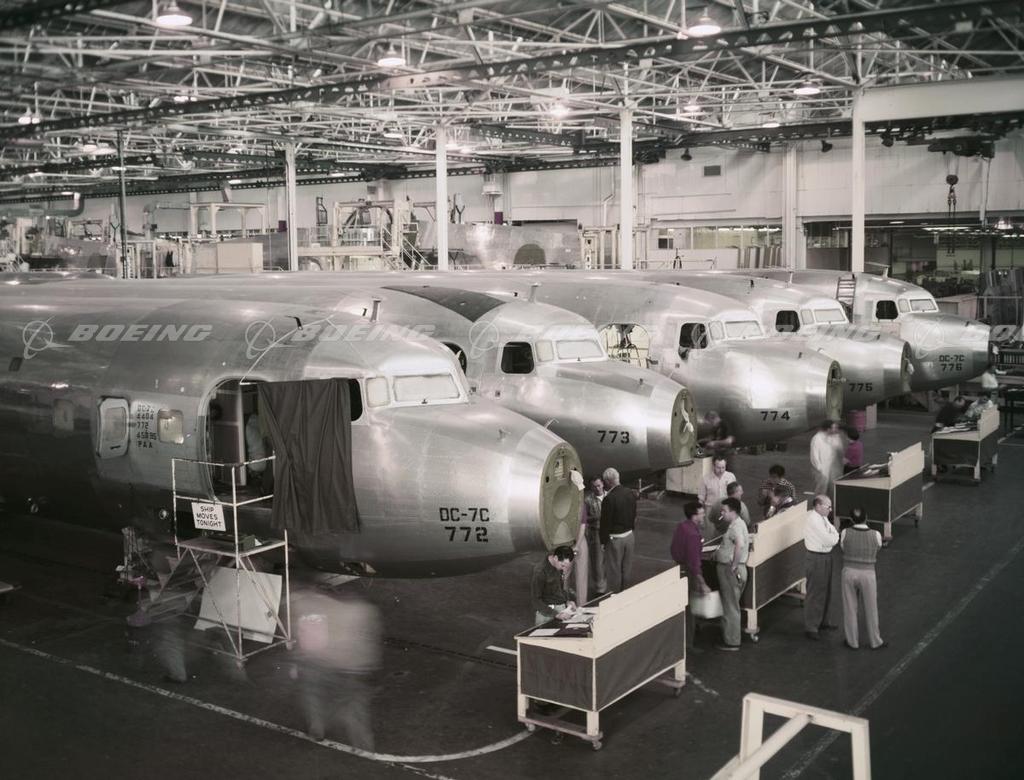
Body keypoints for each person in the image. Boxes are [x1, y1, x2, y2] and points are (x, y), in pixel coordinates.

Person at [293, 586, 382, 747]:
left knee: (313, 693)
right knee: (353, 703)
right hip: (352, 666)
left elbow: (306, 636)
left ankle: (317, 726)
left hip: (322, 661)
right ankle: (363, 741)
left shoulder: (308, 604)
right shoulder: (363, 610)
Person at [840, 508, 887, 650]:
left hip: (849, 572)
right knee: (871, 608)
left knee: (850, 608)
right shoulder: (876, 534)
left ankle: (852, 642)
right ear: (866, 518)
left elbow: (843, 547)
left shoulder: (845, 532)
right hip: (868, 573)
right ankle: (875, 641)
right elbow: (878, 548)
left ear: (851, 519)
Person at [670, 501, 710, 650]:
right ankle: (689, 643)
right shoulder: (693, 535)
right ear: (694, 516)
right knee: (690, 608)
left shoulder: (682, 527)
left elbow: (673, 549)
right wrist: (703, 583)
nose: (704, 515)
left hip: (679, 569)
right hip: (689, 574)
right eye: (701, 513)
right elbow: (694, 563)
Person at [714, 498, 749, 651]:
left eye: (724, 511)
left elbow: (739, 545)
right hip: (738, 569)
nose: (722, 513)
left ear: (733, 512)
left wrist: (733, 565)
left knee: (730, 606)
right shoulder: (740, 524)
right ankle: (731, 636)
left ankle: (732, 641)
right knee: (732, 604)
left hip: (730, 570)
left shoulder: (735, 527)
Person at [803, 495, 840, 641]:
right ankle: (811, 627)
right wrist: (832, 538)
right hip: (816, 558)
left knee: (826, 590)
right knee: (815, 592)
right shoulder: (813, 520)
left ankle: (823, 621)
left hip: (825, 557)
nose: (830, 509)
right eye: (828, 506)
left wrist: (832, 537)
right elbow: (830, 539)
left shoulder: (823, 518)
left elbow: (834, 533)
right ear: (818, 506)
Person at [599, 467, 636, 593]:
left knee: (614, 571)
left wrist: (603, 542)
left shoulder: (609, 499)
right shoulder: (630, 493)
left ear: (608, 482)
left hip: (615, 539)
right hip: (629, 536)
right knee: (626, 569)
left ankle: (615, 596)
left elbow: (605, 523)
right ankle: (625, 594)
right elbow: (634, 514)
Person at [531, 545, 576, 624]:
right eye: (563, 566)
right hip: (546, 615)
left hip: (562, 611)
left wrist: (567, 601)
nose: (564, 569)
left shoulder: (558, 565)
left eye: (566, 567)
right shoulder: (540, 572)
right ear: (555, 558)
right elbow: (536, 600)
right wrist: (556, 614)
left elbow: (559, 589)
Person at [583, 476, 607, 596]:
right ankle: (600, 589)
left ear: (603, 484)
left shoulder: (609, 496)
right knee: (597, 562)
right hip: (596, 532)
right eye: (594, 486)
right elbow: (584, 519)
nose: (597, 488)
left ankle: (609, 584)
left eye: (599, 485)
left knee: (610, 560)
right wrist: (595, 517)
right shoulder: (588, 500)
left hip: (609, 531)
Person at [809, 420, 845, 498]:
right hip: (822, 469)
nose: (836, 429)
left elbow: (839, 449)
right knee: (821, 489)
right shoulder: (817, 438)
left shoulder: (834, 437)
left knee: (833, 488)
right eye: (834, 428)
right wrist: (820, 469)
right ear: (828, 429)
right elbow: (814, 456)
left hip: (833, 468)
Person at [569, 469, 589, 605]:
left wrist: (575, 546)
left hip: (567, 541)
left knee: (564, 576)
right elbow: (583, 525)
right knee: (581, 575)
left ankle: (563, 605)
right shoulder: (581, 502)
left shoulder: (564, 501)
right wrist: (577, 545)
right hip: (580, 541)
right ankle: (582, 604)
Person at [698, 456, 736, 527]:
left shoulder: (731, 477)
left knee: (726, 531)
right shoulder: (706, 479)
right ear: (713, 466)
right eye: (718, 468)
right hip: (710, 510)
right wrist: (700, 518)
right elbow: (701, 498)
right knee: (710, 532)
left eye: (723, 467)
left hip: (726, 510)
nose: (721, 470)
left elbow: (734, 496)